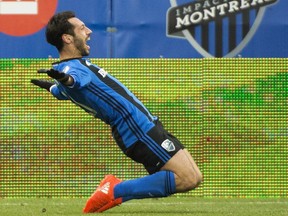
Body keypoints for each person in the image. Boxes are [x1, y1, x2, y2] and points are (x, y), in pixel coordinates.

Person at [31, 11, 202, 213]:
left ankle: (114, 193)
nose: (89, 31)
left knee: (195, 177)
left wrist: (52, 86)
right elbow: (73, 80)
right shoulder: (71, 69)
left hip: (145, 126)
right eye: (82, 28)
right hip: (137, 130)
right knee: (186, 179)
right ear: (67, 38)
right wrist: (64, 79)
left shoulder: (71, 67)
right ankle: (114, 189)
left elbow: (62, 91)